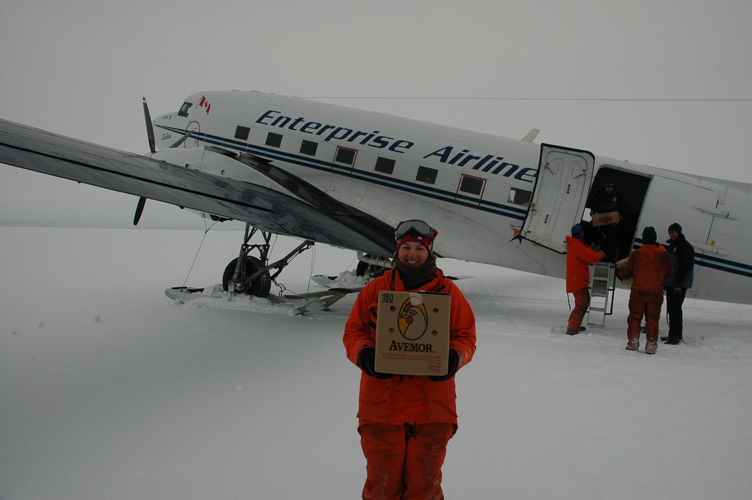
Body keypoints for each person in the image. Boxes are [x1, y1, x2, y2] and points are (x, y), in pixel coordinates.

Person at [343, 219, 476, 500]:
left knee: (423, 489)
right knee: (381, 487)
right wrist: (364, 355)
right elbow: (354, 331)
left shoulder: (449, 294)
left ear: (430, 252)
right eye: (406, 248)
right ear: (397, 250)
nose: (412, 254)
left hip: (431, 408)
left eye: (419, 248)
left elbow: (466, 337)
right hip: (382, 407)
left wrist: (453, 358)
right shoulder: (376, 289)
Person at [617, 227, 673, 354]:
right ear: (655, 238)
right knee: (652, 320)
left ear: (644, 238)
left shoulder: (637, 253)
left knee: (635, 318)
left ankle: (633, 343)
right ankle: (651, 345)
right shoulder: (664, 255)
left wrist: (620, 273)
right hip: (655, 292)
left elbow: (627, 272)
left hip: (638, 292)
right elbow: (670, 272)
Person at [565, 224, 606, 335]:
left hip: (577, 279)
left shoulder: (576, 244)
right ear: (580, 233)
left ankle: (574, 324)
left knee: (584, 301)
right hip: (577, 280)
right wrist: (601, 254)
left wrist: (592, 249)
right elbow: (592, 257)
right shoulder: (577, 246)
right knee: (582, 303)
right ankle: (572, 328)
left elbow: (586, 252)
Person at [662, 223, 694, 344]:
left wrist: (678, 281)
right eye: (670, 232)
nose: (671, 235)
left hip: (679, 284)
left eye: (673, 232)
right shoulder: (673, 246)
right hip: (672, 283)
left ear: (679, 232)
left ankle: (675, 336)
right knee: (671, 309)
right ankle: (673, 334)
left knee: (675, 309)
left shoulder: (684, 247)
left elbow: (686, 266)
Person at [589, 179, 626, 261]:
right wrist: (593, 210)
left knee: (613, 238)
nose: (608, 189)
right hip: (601, 219)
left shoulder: (618, 195)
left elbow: (623, 206)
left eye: (610, 187)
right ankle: (595, 251)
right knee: (596, 233)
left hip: (612, 220)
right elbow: (594, 203)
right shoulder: (599, 194)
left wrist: (620, 214)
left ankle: (611, 256)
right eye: (606, 187)